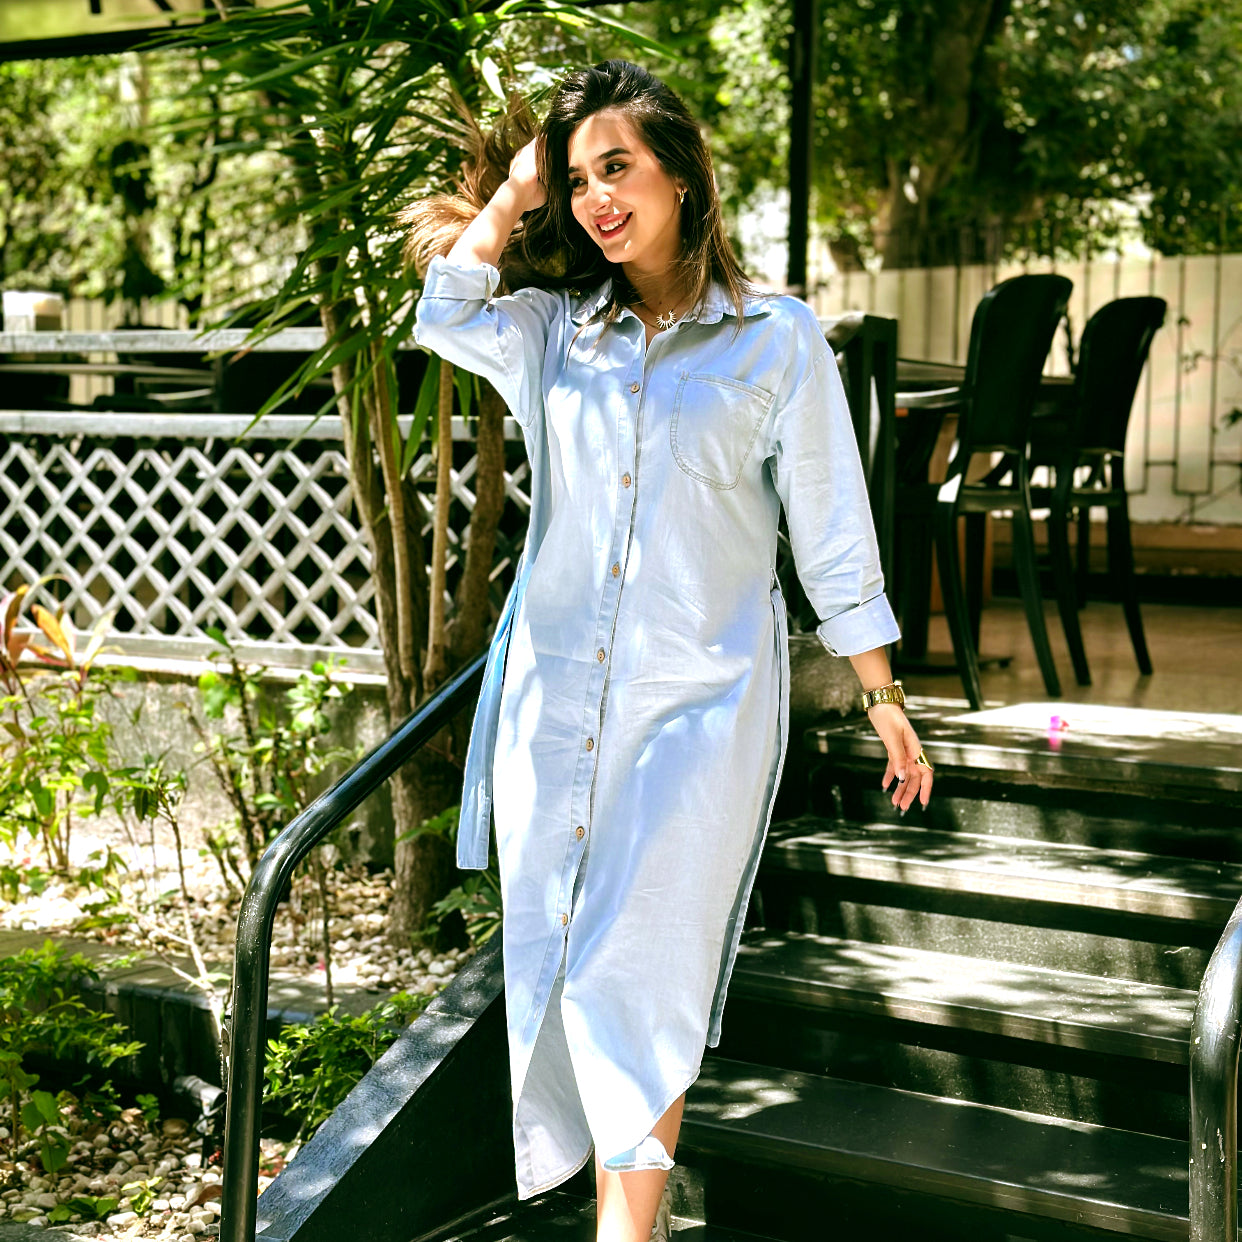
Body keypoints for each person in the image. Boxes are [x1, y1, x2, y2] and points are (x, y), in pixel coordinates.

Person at [408, 59, 933, 1242]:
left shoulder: (777, 339)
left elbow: (832, 528)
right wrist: (517, 193)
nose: (598, 198)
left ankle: (625, 1232)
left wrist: (881, 694)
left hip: (702, 705)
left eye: (619, 167)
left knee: (641, 969)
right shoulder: (554, 334)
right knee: (568, 964)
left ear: (683, 177)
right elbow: (445, 313)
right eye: (578, 179)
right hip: (556, 707)